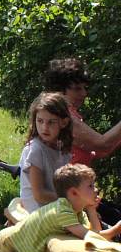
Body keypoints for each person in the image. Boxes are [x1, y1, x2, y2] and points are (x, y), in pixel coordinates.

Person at [43, 58, 121, 226]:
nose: (84, 93)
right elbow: (102, 144)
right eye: (77, 89)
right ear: (60, 91)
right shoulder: (63, 117)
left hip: (77, 194)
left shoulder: (69, 114)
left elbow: (101, 150)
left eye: (84, 88)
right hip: (66, 199)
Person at [17, 93, 72, 211]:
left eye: (51, 122)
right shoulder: (35, 150)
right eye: (40, 121)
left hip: (55, 206)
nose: (44, 127)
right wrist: (70, 199)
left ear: (64, 122)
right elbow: (39, 194)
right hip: (38, 211)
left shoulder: (62, 149)